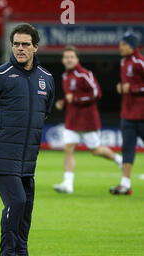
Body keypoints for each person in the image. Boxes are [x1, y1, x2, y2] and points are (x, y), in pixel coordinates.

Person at [0, 23, 54, 256]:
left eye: (25, 44)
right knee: (16, 201)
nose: (20, 48)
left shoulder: (46, 79)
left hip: (27, 156)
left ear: (35, 47)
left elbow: (44, 112)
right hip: (1, 153)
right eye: (16, 44)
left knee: (26, 208)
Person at [53, 45, 122, 194]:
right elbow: (71, 96)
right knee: (68, 148)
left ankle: (119, 160)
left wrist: (75, 99)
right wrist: (64, 102)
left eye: (71, 57)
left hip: (87, 120)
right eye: (66, 57)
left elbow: (97, 93)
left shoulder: (84, 74)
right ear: (63, 60)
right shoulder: (65, 76)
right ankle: (68, 184)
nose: (69, 59)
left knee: (96, 150)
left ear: (77, 59)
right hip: (72, 119)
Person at [110, 32, 144, 195]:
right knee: (127, 149)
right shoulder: (124, 61)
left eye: (123, 44)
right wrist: (121, 87)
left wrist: (133, 89)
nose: (120, 47)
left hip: (142, 115)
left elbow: (135, 86)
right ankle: (125, 184)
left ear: (131, 46)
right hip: (127, 115)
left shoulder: (140, 62)